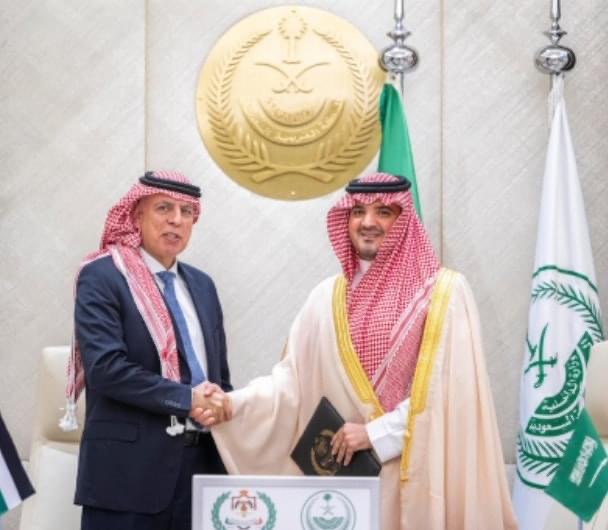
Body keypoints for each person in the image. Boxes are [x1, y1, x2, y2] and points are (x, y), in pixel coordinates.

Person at [206, 172, 517, 530]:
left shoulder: (444, 293)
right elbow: (290, 383)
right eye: (358, 212)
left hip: (415, 477)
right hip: (340, 490)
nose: (368, 222)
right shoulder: (325, 297)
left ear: (404, 221)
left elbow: (451, 396)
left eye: (384, 212)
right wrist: (232, 404)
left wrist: (375, 434)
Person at [62, 170, 232, 530]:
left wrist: (224, 405)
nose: (176, 220)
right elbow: (106, 369)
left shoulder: (203, 285)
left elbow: (220, 377)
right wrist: (188, 399)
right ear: (136, 215)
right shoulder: (103, 276)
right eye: (164, 208)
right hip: (128, 477)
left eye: (187, 211)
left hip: (202, 471)